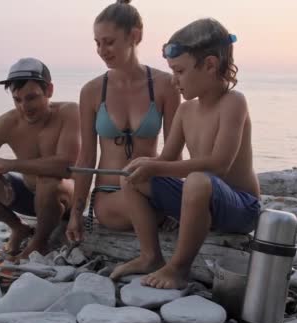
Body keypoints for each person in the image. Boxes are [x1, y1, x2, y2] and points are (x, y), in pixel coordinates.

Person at [108, 18, 261, 289]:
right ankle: (150, 256)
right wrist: (147, 163)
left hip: (240, 207)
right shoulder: (185, 110)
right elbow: (167, 160)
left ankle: (178, 268)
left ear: (211, 65)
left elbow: (218, 166)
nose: (173, 79)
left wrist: (158, 168)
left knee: (199, 180)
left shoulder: (234, 103)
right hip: (202, 198)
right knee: (132, 174)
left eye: (179, 71)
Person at [66, 0, 180, 242]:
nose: (101, 50)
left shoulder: (165, 85)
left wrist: (172, 193)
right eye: (97, 43)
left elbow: (174, 154)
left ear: (134, 36)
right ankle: (156, 232)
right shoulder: (92, 91)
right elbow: (86, 157)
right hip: (110, 196)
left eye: (109, 42)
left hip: (152, 189)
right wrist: (76, 213)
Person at [0, 57, 80, 260]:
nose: (24, 107)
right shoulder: (7, 122)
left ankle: (39, 244)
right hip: (28, 198)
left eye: (31, 98)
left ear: (49, 90)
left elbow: (66, 166)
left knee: (48, 180)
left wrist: (10, 165)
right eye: (18, 99)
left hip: (66, 198)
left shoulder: (69, 112)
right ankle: (18, 228)